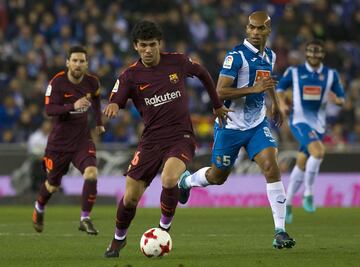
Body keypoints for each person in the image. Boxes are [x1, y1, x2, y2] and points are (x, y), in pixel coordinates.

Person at [102, 20, 230, 258]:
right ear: (135, 47)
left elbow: (202, 73)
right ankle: (118, 239)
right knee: (130, 197)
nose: (148, 50)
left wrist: (217, 105)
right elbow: (116, 98)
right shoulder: (130, 76)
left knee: (169, 178)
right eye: (143, 45)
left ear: (159, 44)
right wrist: (112, 105)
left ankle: (163, 229)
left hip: (180, 136)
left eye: (152, 44)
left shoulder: (178, 61)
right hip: (150, 140)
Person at [178, 11, 296, 249]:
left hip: (256, 125)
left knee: (272, 167)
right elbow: (220, 91)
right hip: (230, 125)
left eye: (260, 28)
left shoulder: (269, 56)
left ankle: (280, 231)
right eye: (251, 28)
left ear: (268, 31)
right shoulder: (236, 56)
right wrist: (253, 89)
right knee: (217, 176)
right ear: (247, 29)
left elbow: (267, 81)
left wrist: (275, 103)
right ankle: (186, 182)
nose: (255, 32)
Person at [32, 45, 105, 235]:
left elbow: (96, 99)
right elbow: (49, 110)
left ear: (87, 63)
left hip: (82, 140)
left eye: (82, 61)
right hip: (59, 144)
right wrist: (73, 105)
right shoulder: (57, 83)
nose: (78, 64)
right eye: (74, 60)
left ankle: (84, 218)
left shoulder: (92, 82)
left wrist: (99, 122)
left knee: (91, 173)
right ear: (67, 63)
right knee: (53, 186)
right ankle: (39, 208)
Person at [276, 39, 345, 223]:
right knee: (319, 151)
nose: (314, 55)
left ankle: (288, 203)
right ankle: (308, 194)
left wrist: (336, 100)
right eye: (311, 52)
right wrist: (282, 103)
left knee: (301, 162)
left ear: (323, 54)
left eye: (318, 52)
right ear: (306, 53)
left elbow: (341, 98)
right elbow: (280, 89)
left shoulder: (331, 75)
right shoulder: (295, 71)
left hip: (319, 125)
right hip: (299, 121)